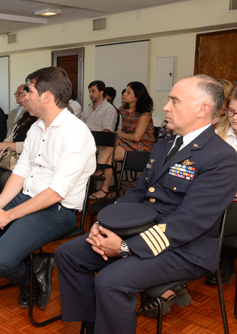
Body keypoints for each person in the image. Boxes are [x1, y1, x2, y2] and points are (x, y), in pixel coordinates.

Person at [55, 75, 237, 334]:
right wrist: (103, 226)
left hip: (185, 248)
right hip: (143, 229)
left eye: (174, 101)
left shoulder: (222, 157)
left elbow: (189, 222)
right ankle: (95, 325)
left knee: (111, 282)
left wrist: (126, 246)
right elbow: (138, 192)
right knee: (69, 255)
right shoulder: (164, 145)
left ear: (203, 109)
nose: (166, 107)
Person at [0, 67, 96, 310]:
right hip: (24, 198)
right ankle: (30, 262)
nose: (24, 96)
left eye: (29, 91)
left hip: (56, 210)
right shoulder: (37, 127)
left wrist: (7, 216)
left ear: (46, 96)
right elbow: (20, 172)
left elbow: (56, 193)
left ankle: (28, 277)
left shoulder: (76, 133)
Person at [89, 82, 156, 200]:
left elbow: (137, 137)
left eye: (128, 92)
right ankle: (103, 178)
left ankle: (102, 178)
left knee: (110, 154)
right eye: (125, 91)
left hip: (143, 146)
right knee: (110, 143)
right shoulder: (122, 110)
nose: (124, 94)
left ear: (137, 97)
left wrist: (120, 134)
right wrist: (118, 134)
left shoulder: (144, 113)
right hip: (127, 142)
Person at [0, 86, 37, 202]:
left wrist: (7, 146)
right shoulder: (24, 116)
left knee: (6, 178)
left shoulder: (40, 120)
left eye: (26, 98)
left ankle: (11, 208)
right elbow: (10, 137)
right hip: (12, 159)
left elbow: (34, 146)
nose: (23, 101)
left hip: (27, 161)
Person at [212, 84, 237, 284]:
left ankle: (223, 260)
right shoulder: (219, 133)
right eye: (231, 111)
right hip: (218, 197)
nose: (234, 117)